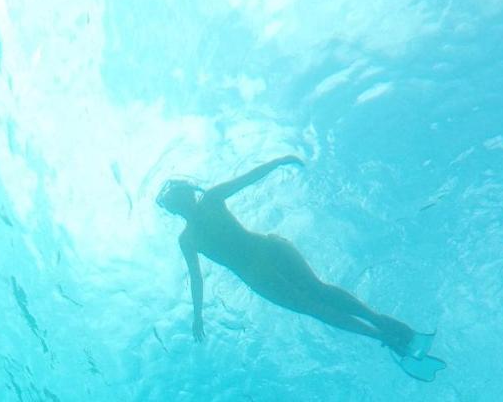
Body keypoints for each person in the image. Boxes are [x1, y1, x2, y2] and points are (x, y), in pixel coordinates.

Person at [157, 156, 445, 380]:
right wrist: (198, 315)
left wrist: (278, 161)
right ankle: (382, 332)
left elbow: (247, 179)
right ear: (175, 207)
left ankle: (381, 326)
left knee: (316, 296)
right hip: (260, 264)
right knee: (315, 302)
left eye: (178, 197)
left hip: (262, 258)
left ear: (187, 195)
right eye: (174, 201)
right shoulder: (190, 235)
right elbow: (196, 278)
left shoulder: (208, 205)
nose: (179, 203)